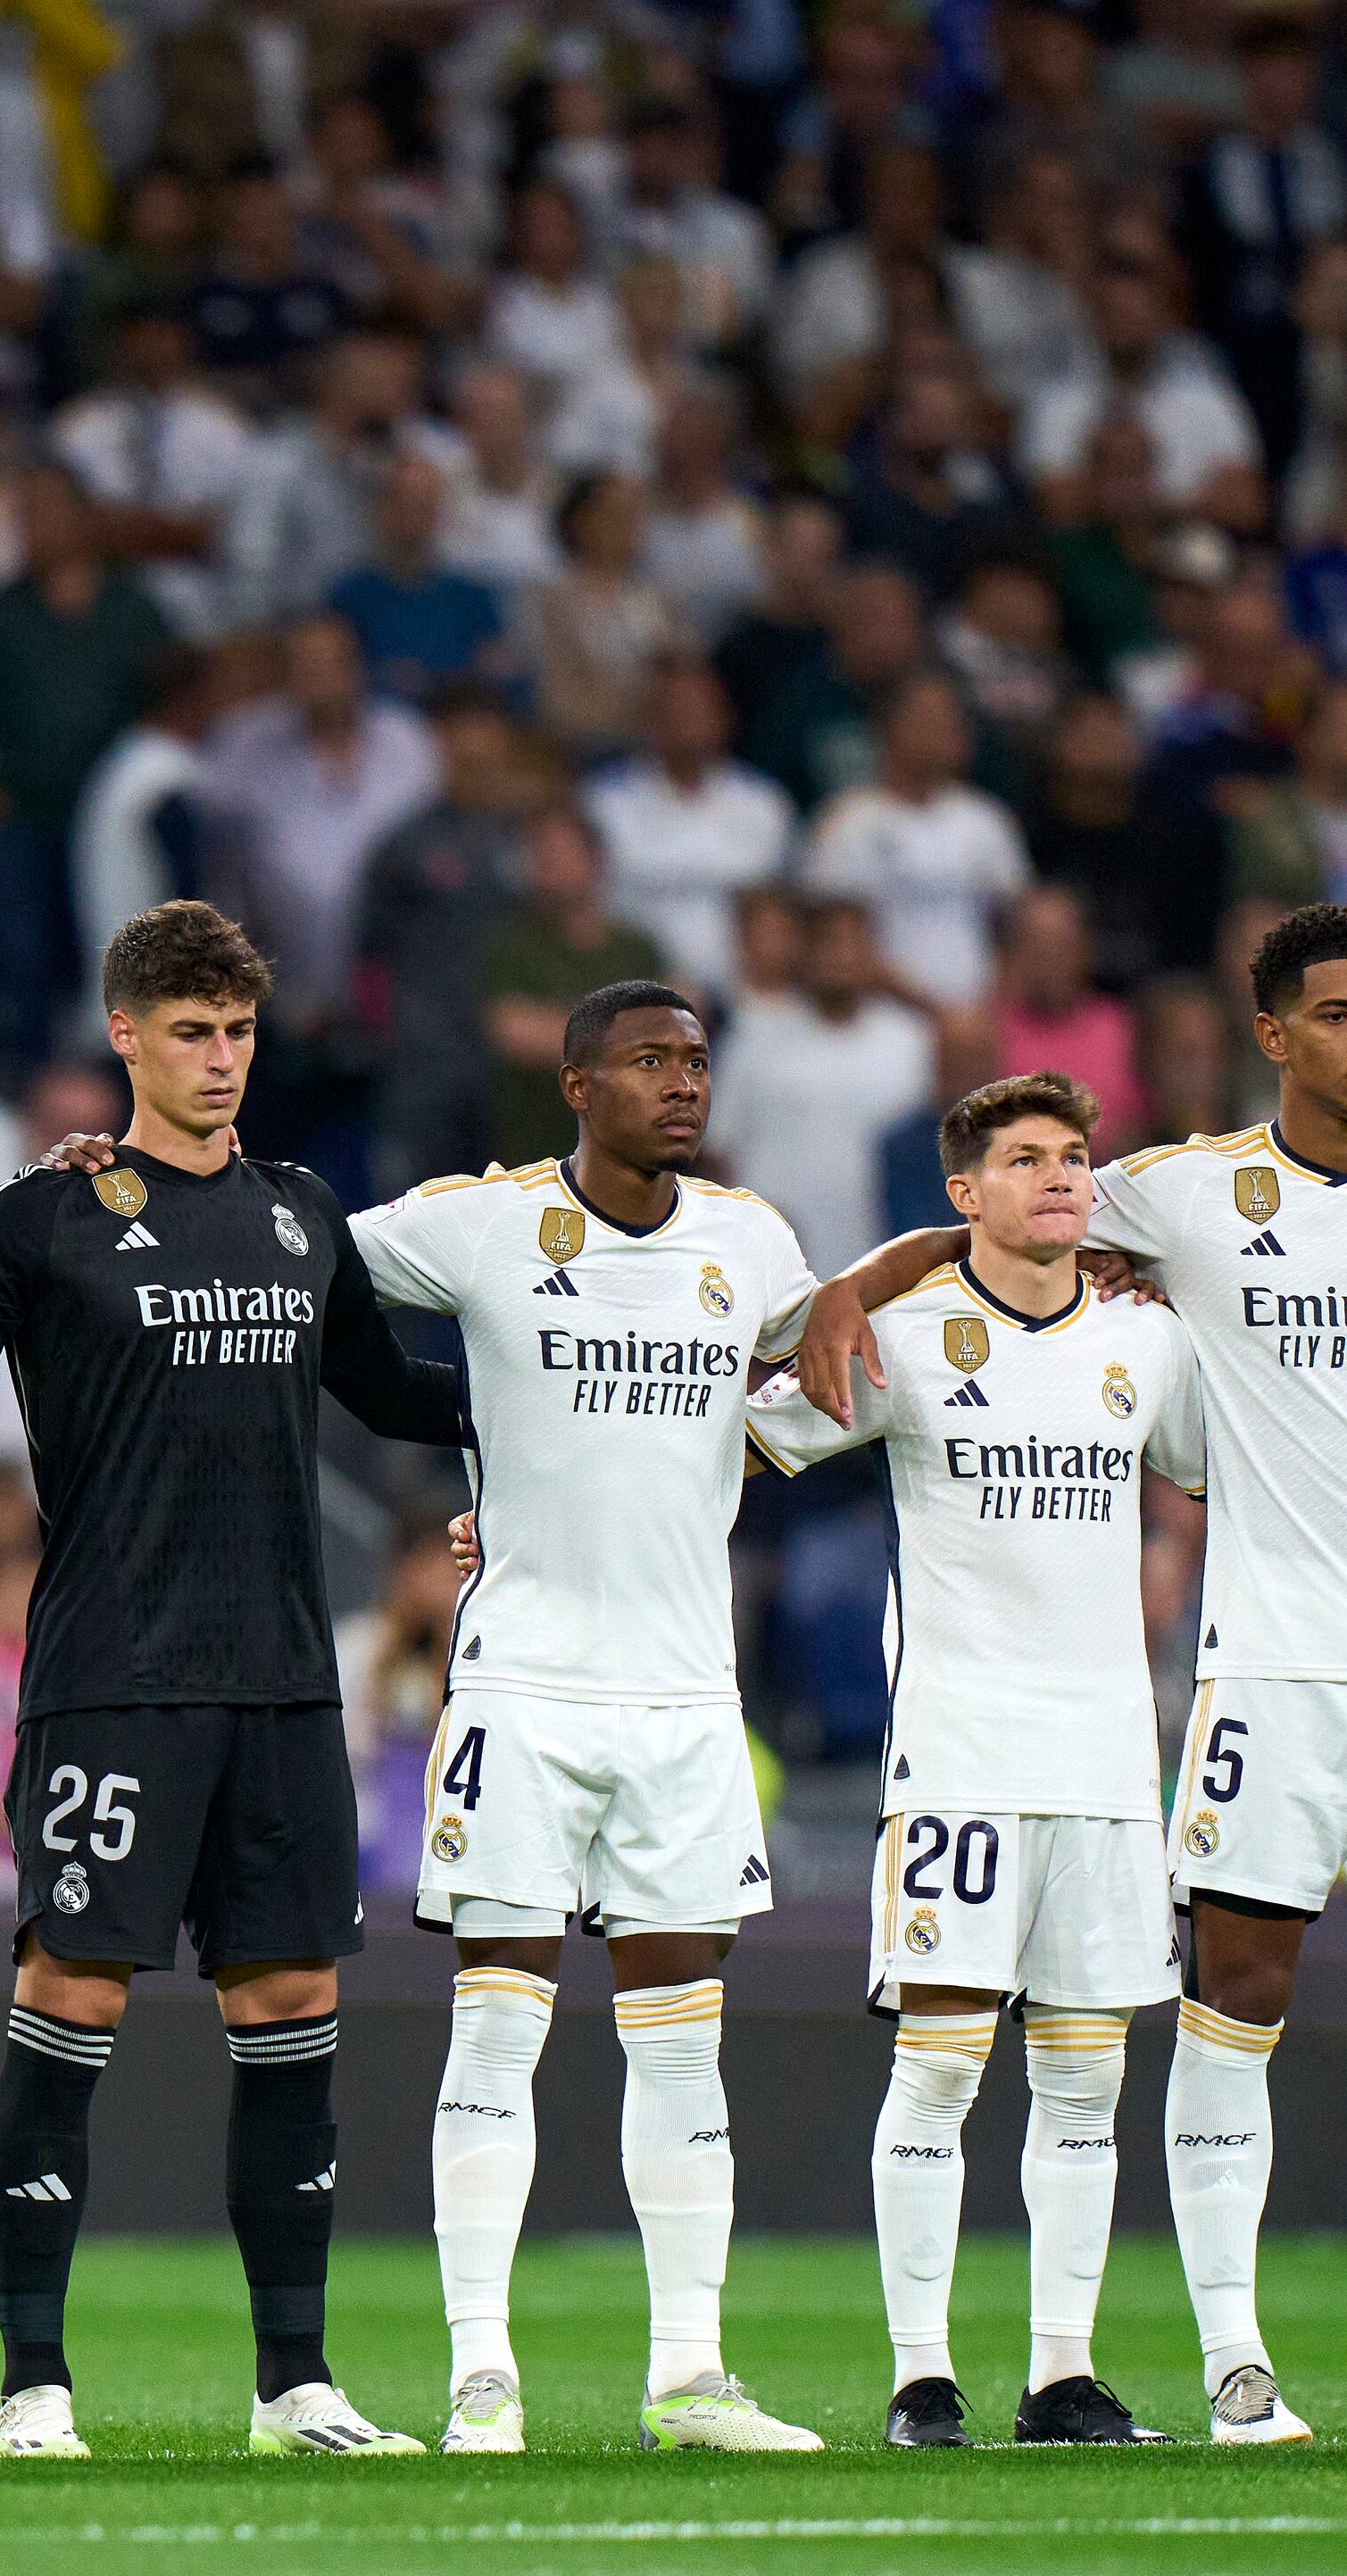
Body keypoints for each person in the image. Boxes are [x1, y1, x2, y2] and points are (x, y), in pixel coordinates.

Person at [794, 903, 1347, 2447]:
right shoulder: (1181, 1193)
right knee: (1237, 1993)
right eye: (1343, 1012)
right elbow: (998, 1228)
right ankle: (1238, 2364)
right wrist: (850, 1289)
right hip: (1269, 1661)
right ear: (1274, 1032)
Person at [0, 902, 467, 2459]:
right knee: (72, 1988)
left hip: (288, 1682)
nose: (219, 1058)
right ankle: (33, 2382)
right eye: (188, 1030)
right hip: (109, 1676)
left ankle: (296, 2383)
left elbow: (390, 1386)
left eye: (236, 1030)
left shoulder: (304, 1214)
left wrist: (579, 1389)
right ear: (126, 1036)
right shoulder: (44, 1221)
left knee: (294, 1998)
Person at [357, 983, 827, 2454]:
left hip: (688, 1695)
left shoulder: (752, 1242)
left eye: (694, 1060)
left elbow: (844, 1363)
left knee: (681, 2042)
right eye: (648, 1060)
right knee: (497, 2032)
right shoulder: (481, 1222)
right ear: (576, 1083)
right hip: (524, 1687)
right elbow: (293, 1248)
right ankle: (480, 2374)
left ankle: (690, 2372)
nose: (680, 1083)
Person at [744, 1075, 1207, 2447]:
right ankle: (919, 2371)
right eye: (1024, 1159)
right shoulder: (909, 1333)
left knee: (1084, 2077)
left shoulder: (1148, 1342)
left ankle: (1062, 2370)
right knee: (940, 2067)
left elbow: (1249, 1473)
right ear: (964, 1194)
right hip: (958, 1755)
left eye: (1074, 1157)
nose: (1061, 1178)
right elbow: (741, 1441)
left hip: (1112, 1765)